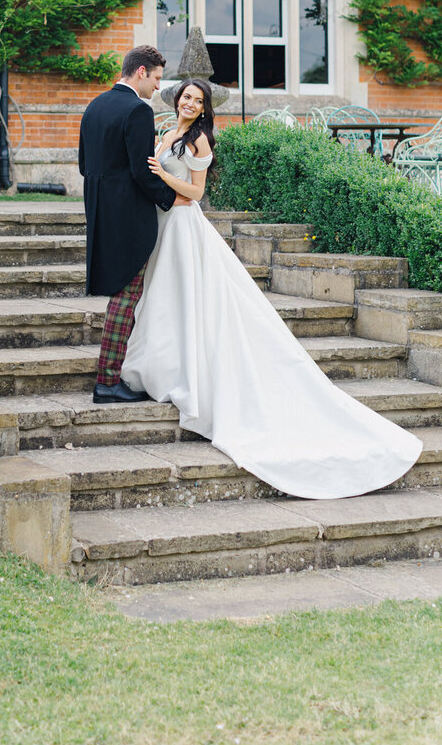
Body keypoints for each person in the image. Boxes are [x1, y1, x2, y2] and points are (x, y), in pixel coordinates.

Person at [120, 78, 423, 500]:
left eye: (197, 99)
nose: (190, 103)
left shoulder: (200, 140)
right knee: (166, 301)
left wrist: (163, 177)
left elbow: (196, 193)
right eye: (186, 96)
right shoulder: (165, 130)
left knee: (187, 301)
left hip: (185, 227)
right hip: (162, 227)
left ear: (205, 108)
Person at [78, 45, 189, 405]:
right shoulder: (138, 110)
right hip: (128, 217)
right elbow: (142, 171)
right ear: (141, 72)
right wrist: (173, 199)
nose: (158, 88)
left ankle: (111, 377)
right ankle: (107, 381)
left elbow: (84, 164)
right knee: (125, 297)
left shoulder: (95, 105)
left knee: (121, 296)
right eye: (157, 79)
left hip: (99, 212)